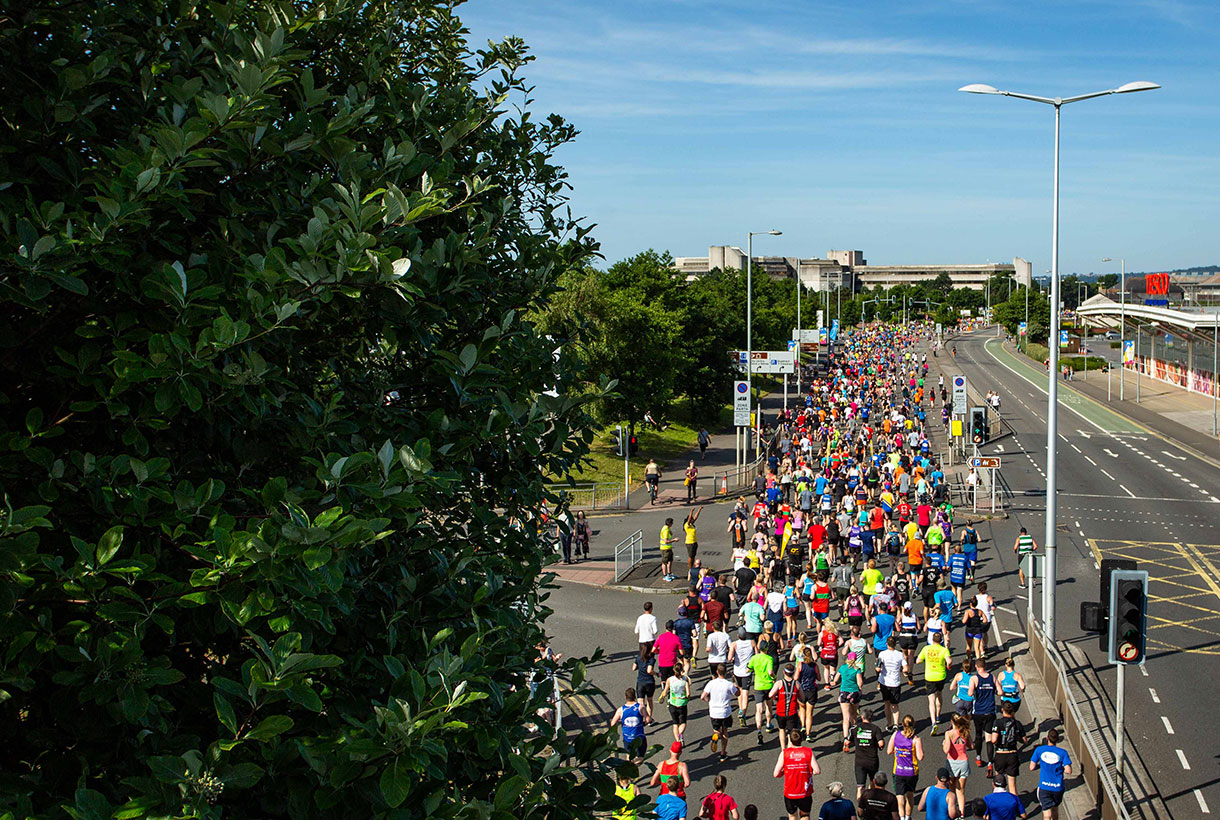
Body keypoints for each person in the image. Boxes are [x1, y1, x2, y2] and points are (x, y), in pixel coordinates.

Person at [775, 730, 822, 820]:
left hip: (790, 792)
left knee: (792, 816)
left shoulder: (784, 753)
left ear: (790, 740)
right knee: (805, 815)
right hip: (805, 791)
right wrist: (811, 771)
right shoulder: (808, 752)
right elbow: (817, 770)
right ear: (801, 739)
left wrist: (783, 772)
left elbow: (776, 773)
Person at [886, 715, 923, 820]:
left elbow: (889, 751)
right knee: (910, 796)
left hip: (898, 771)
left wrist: (899, 750)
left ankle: (901, 818)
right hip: (912, 772)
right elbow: (920, 757)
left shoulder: (895, 735)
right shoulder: (916, 739)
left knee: (900, 797)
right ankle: (908, 817)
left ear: (902, 724)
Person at [1029, 729, 1072, 819]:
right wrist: (1061, 768)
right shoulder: (1063, 752)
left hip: (1044, 786)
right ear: (1057, 739)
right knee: (1055, 809)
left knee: (1047, 814)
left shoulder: (1039, 750)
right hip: (1057, 787)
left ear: (1047, 738)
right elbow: (1069, 770)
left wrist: (1040, 765)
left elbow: (1031, 767)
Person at [702, 663, 739, 764]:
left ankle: (716, 734)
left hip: (714, 712)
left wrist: (709, 701)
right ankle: (723, 753)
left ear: (717, 672)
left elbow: (703, 696)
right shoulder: (729, 684)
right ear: (726, 672)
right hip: (725, 712)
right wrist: (735, 684)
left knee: (716, 729)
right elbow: (738, 694)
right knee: (725, 732)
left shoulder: (711, 683)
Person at [916, 631, 951, 734]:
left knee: (931, 700)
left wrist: (925, 660)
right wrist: (948, 665)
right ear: (941, 640)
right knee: (939, 695)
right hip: (941, 676)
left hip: (930, 676)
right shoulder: (944, 650)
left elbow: (918, 660)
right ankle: (938, 715)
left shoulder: (926, 649)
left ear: (932, 640)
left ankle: (933, 722)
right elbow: (949, 661)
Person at [989, 702, 1027, 796]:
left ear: (1002, 710)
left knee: (999, 782)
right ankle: (1015, 806)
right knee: (1012, 786)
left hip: (1000, 754)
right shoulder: (1017, 724)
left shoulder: (998, 722)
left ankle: (1000, 804)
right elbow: (1024, 740)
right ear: (1013, 712)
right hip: (1012, 754)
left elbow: (993, 740)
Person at [969, 657, 998, 775]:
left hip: (978, 712)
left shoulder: (974, 678)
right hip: (990, 711)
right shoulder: (992, 677)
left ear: (976, 667)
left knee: (978, 735)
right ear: (985, 666)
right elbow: (1000, 691)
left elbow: (970, 693)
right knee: (989, 738)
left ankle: (979, 757)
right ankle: (991, 763)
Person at [771, 663, 807, 751]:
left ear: (783, 672)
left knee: (781, 730)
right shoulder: (797, 684)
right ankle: (790, 749)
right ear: (793, 673)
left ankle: (783, 750)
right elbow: (802, 697)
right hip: (792, 712)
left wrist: (776, 698)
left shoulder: (779, 683)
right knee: (791, 732)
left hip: (781, 711)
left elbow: (770, 694)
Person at [851, 710, 887, 801]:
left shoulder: (855, 728)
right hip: (872, 761)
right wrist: (880, 747)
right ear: (871, 718)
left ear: (862, 717)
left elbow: (847, 742)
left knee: (860, 787)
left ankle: (860, 806)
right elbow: (881, 743)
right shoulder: (875, 729)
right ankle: (870, 801)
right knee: (873, 782)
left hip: (859, 762)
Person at [833, 652, 864, 753]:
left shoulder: (842, 668)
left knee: (845, 717)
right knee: (854, 715)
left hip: (844, 693)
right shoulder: (857, 669)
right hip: (854, 693)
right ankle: (854, 735)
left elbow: (835, 679)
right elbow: (860, 683)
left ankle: (846, 738)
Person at [748, 639, 776, 746]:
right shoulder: (769, 658)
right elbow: (770, 672)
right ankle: (768, 724)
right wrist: (774, 676)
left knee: (758, 710)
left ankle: (759, 730)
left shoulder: (754, 658)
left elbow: (749, 669)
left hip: (758, 686)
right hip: (768, 685)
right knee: (769, 706)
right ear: (767, 648)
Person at [942, 714, 973, 812]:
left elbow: (946, 750)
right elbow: (971, 746)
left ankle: (952, 810)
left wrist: (944, 744)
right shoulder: (965, 732)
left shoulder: (949, 733)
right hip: (963, 762)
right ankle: (962, 813)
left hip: (952, 762)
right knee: (961, 790)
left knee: (952, 789)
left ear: (952, 722)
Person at [876, 636, 908, 730]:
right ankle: (896, 724)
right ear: (895, 644)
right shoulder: (900, 655)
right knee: (895, 705)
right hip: (895, 682)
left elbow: (877, 667)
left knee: (887, 703)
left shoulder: (882, 654)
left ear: (887, 644)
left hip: (884, 682)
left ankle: (889, 723)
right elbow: (906, 668)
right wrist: (902, 670)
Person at [610, 687, 646, 762]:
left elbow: (613, 723)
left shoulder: (621, 710)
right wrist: (641, 724)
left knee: (629, 756)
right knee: (640, 757)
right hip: (639, 737)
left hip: (627, 738)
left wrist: (621, 722)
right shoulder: (640, 707)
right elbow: (648, 719)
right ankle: (635, 766)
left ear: (625, 697)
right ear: (635, 697)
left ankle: (629, 768)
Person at [660, 660, 692, 744]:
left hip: (673, 703)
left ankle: (678, 741)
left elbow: (665, 692)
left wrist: (662, 697)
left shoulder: (670, 680)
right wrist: (687, 699)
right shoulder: (685, 680)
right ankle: (680, 734)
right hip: (682, 703)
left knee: (675, 723)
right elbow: (688, 693)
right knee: (683, 722)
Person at [728, 628, 755, 727]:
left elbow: (729, 658)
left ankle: (740, 710)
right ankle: (743, 713)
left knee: (739, 691)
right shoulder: (751, 642)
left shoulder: (734, 644)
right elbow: (756, 654)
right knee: (745, 693)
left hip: (737, 671)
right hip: (747, 671)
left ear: (738, 636)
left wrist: (734, 658)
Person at [683, 507, 702, 572]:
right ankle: (690, 569)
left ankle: (692, 567)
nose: (692, 520)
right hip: (689, 542)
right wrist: (691, 511)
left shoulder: (691, 524)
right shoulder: (686, 525)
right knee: (690, 556)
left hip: (694, 542)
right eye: (691, 519)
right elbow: (689, 519)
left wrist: (699, 509)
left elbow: (695, 517)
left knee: (693, 556)